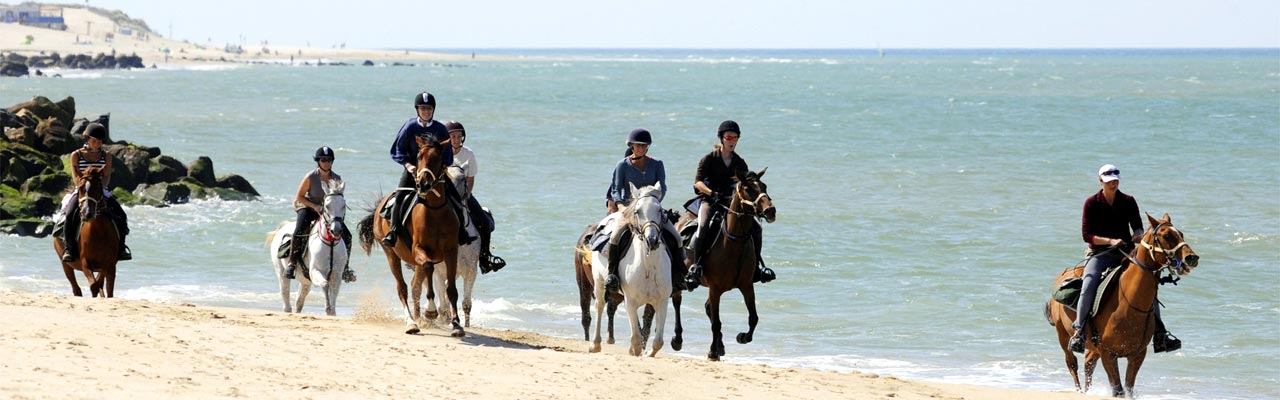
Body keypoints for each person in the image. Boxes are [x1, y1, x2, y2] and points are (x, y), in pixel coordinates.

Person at [1069, 164, 1181, 354]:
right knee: (1089, 284)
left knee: (1148, 286)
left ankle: (1160, 334)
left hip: (1127, 253)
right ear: (1101, 181)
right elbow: (1087, 236)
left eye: (1115, 181)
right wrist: (1110, 241)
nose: (1113, 184)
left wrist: (1138, 235)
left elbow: (1137, 226)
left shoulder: (1128, 201)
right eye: (1109, 181)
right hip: (1100, 254)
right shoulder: (1091, 203)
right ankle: (1079, 330)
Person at [683, 120, 773, 290]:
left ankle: (758, 268)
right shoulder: (709, 159)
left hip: (730, 204)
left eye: (735, 138)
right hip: (710, 200)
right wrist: (711, 193)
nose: (732, 140)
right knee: (703, 226)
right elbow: (698, 183)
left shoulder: (739, 162)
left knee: (756, 228)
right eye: (729, 137)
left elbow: (746, 184)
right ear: (722, 138)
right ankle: (697, 266)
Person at [383, 91, 474, 247]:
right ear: (417, 109)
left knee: (455, 198)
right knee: (399, 197)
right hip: (413, 170)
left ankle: (462, 233)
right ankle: (393, 231)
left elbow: (448, 155)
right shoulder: (409, 127)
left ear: (433, 110)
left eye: (429, 109)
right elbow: (397, 150)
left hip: (436, 174)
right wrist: (408, 165)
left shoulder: (440, 128)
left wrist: (441, 168)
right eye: (423, 108)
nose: (426, 111)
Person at [601, 128, 685, 293]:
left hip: (651, 209)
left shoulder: (657, 164)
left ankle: (680, 275)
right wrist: (621, 207)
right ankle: (612, 275)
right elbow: (616, 190)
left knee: (676, 237)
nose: (640, 148)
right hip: (628, 210)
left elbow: (663, 188)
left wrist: (652, 203)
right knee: (615, 236)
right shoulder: (622, 165)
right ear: (631, 145)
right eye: (637, 145)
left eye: (644, 145)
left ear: (648, 147)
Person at [59, 123, 131, 261]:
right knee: (69, 215)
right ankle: (69, 248)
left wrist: (99, 190)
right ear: (87, 139)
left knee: (121, 215)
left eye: (99, 141)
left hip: (100, 190)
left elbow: (107, 176)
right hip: (81, 190)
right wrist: (85, 189)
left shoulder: (106, 156)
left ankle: (121, 248)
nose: (97, 144)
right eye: (94, 141)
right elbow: (76, 177)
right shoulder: (76, 155)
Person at [284, 146, 355, 282]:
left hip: (327, 211)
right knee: (299, 230)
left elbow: (337, 200)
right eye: (323, 160)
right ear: (318, 161)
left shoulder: (336, 178)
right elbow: (299, 197)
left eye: (329, 160)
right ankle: (292, 264)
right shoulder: (310, 176)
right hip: (307, 206)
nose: (326, 163)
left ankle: (345, 268)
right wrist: (315, 206)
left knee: (348, 236)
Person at [445, 120, 506, 273]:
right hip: (444, 197)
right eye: (453, 136)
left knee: (484, 221)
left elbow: (470, 179)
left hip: (463, 194)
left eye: (459, 136)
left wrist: (466, 196)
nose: (456, 139)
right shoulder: (441, 153)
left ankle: (485, 258)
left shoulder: (468, 154)